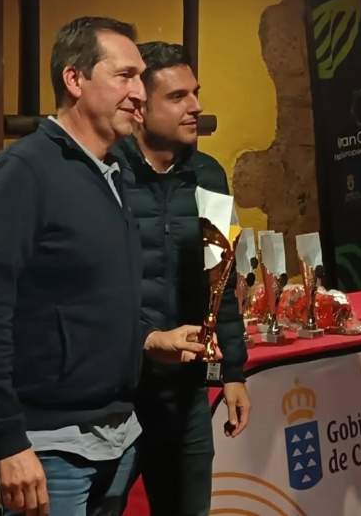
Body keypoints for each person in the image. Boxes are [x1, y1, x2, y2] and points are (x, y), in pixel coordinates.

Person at [0, 17, 206, 516]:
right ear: (74, 79)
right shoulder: (21, 173)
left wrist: (149, 339)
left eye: (141, 78)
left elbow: (84, 298)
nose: (139, 92)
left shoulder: (111, 172)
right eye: (125, 76)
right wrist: (8, 440)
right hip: (48, 449)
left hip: (118, 438)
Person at [113, 41, 251, 516]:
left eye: (195, 93)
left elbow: (222, 279)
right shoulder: (108, 173)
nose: (195, 106)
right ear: (140, 106)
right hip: (119, 388)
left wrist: (233, 372)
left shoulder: (209, 175)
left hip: (186, 389)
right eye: (177, 97)